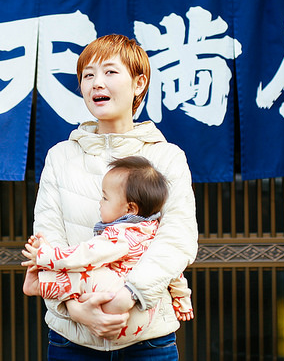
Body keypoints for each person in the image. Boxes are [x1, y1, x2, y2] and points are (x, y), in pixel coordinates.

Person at [25, 33, 198, 360]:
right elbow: (47, 238)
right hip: (70, 338)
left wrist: (128, 295)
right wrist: (76, 309)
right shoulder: (61, 156)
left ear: (139, 83)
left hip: (148, 340)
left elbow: (178, 239)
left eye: (109, 72)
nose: (95, 83)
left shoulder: (166, 157)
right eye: (87, 75)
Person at [21, 155, 193, 346]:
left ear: (130, 208)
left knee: (83, 270)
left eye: (105, 197)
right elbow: (174, 272)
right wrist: (182, 300)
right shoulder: (151, 229)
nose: (100, 203)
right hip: (143, 318)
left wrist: (46, 256)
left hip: (117, 309)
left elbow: (87, 254)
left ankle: (39, 285)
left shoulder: (120, 235)